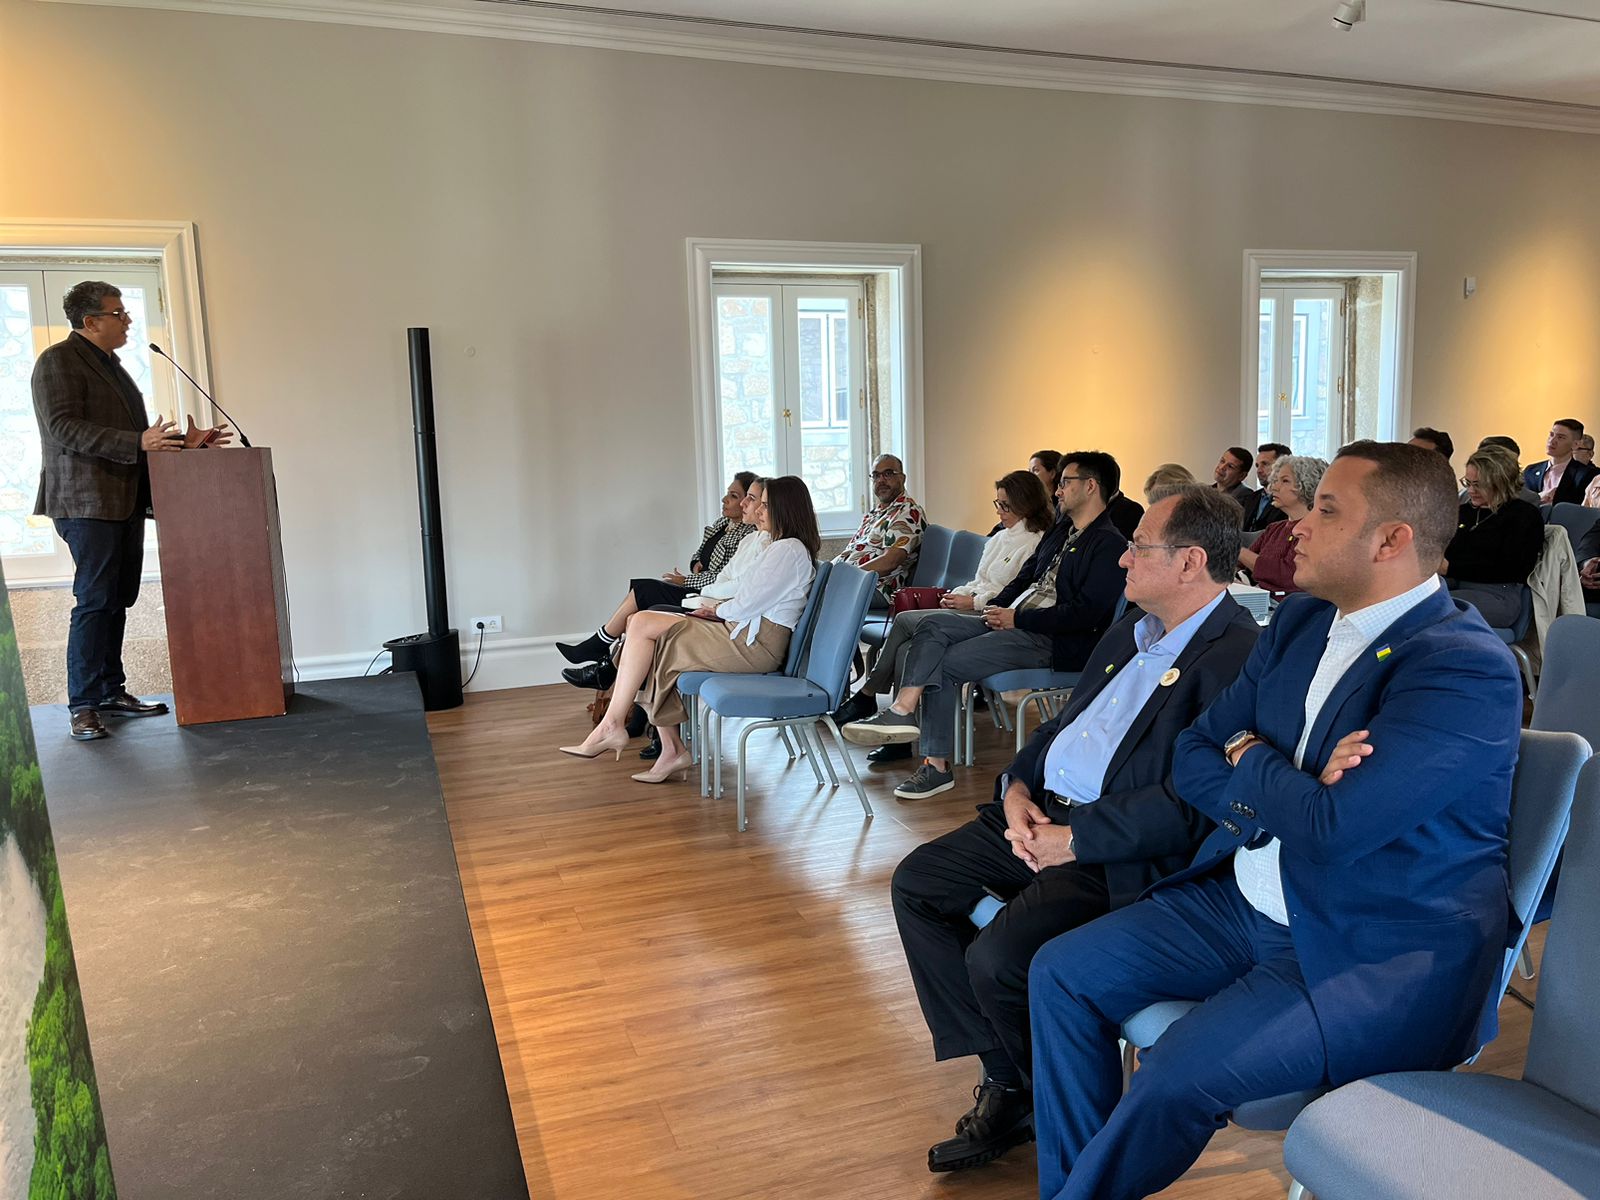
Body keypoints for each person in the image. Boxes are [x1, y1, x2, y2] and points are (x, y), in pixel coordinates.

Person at [1026, 441, 1522, 1200]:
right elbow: (1195, 752)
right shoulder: (1301, 623)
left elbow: (1332, 830)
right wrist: (1289, 774)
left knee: (1174, 1073)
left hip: (1365, 946)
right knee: (1060, 972)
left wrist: (1253, 752)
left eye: (1326, 511)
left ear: (1391, 541)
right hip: (1246, 896)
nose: (1297, 528)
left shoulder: (1462, 666)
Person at [889, 486, 1258, 1175]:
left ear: (1190, 562)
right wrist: (1017, 786)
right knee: (918, 883)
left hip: (1115, 850)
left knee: (999, 959)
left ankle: (1034, 1100)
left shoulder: (1237, 656)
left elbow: (1196, 805)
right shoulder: (1132, 628)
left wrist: (1077, 839)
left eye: (1139, 547)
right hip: (1042, 811)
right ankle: (1012, 1080)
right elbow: (1063, 726)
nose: (1122, 559)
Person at [840, 452, 1127, 800]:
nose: (1057, 490)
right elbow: (1024, 579)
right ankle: (902, 710)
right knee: (930, 625)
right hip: (1014, 619)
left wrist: (1016, 618)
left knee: (942, 662)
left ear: (1091, 486)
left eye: (1066, 482)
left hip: (1048, 639)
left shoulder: (1108, 544)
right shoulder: (1062, 530)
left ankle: (935, 765)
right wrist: (995, 607)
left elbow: (1085, 615)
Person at [31, 280, 231, 742]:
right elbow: (63, 427)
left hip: (123, 499)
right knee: (95, 599)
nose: (127, 320)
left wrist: (185, 444)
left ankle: (109, 691)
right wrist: (139, 440)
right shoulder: (58, 361)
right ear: (90, 321)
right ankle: (83, 704)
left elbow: (136, 440)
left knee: (118, 597)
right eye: (118, 313)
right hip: (86, 501)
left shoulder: (112, 366)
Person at [558, 476, 821, 782]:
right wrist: (717, 609)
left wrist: (716, 610)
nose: (758, 510)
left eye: (765, 505)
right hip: (741, 632)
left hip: (755, 645)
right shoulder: (780, 547)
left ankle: (623, 729)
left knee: (644, 626)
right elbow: (745, 596)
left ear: (785, 509)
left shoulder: (788, 550)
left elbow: (746, 602)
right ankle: (656, 743)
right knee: (644, 630)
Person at [831, 470, 1053, 746]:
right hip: (969, 604)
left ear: (1025, 504)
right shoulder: (1000, 537)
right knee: (904, 648)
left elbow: (1014, 594)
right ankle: (897, 733)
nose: (998, 511)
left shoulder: (1035, 542)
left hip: (986, 612)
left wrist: (972, 601)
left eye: (1005, 505)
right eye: (997, 503)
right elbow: (978, 581)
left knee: (904, 621)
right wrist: (955, 595)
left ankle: (869, 695)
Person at [557, 472, 757, 673]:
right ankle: (605, 664)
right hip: (698, 588)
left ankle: (600, 648)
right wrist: (695, 563)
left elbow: (723, 578)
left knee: (644, 590)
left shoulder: (748, 535)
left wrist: (687, 581)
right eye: (727, 493)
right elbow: (701, 554)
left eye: (734, 496)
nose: (725, 499)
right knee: (641, 603)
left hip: (707, 597)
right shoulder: (721, 525)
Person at [1443, 445, 1543, 626]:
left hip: (1497, 595)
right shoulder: (1463, 511)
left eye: (1478, 485)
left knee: (1430, 609)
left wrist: (1450, 568)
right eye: (1468, 483)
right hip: (1455, 585)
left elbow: (1512, 568)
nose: (1471, 491)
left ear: (1501, 483)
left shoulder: (1524, 515)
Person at [832, 454, 925, 603]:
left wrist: (847, 578)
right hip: (852, 582)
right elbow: (853, 550)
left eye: (888, 474)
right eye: (876, 475)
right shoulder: (875, 513)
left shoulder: (907, 512)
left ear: (902, 478)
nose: (880, 480)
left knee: (820, 599)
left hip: (877, 588)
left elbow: (890, 561)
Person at [1236, 455, 1329, 600]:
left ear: (1307, 485)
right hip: (1257, 600)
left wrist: (1236, 549)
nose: (1274, 487)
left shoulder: (1316, 531)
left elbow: (1288, 575)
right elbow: (1241, 563)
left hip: (1284, 605)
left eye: (1285, 481)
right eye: (1275, 480)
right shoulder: (1274, 528)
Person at [1524, 419, 1597, 507]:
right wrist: (1538, 498)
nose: (1552, 441)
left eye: (1560, 437)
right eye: (1551, 434)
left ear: (1575, 444)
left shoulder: (1587, 475)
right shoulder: (1530, 471)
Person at [1243, 443, 1291, 533]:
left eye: (1265, 464)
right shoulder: (1251, 498)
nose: (1259, 470)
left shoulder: (1290, 500)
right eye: (1257, 465)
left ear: (1282, 466)